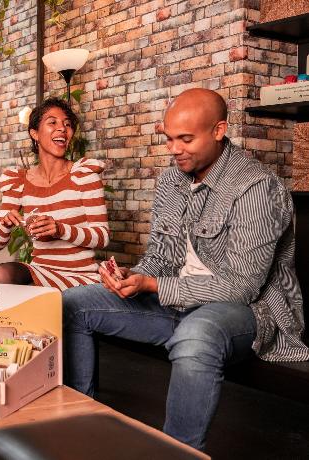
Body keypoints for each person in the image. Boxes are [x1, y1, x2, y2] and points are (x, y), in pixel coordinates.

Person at [62, 88, 309, 450]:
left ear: (219, 130)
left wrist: (154, 286)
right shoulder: (171, 180)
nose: (174, 149)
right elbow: (162, 256)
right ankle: (79, 431)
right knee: (73, 303)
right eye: (169, 138)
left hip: (248, 313)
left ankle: (176, 455)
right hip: (177, 303)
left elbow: (241, 288)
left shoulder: (255, 187)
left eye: (186, 139)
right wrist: (134, 278)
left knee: (197, 336)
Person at [0, 97, 109, 290]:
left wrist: (60, 229)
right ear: (34, 133)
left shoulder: (83, 175)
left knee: (31, 297)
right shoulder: (19, 181)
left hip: (80, 276)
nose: (62, 128)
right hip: (42, 271)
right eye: (52, 122)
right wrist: (5, 224)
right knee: (3, 272)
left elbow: (102, 237)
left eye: (67, 124)